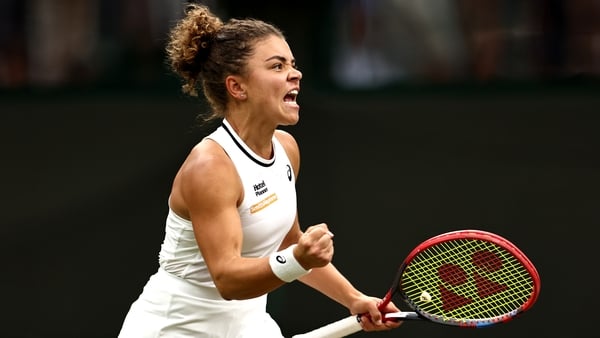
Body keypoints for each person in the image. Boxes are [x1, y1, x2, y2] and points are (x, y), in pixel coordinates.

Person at [118, 3, 402, 337]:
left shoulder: (286, 149)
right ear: (237, 87)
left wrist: (353, 299)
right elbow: (227, 278)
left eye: (293, 65)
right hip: (174, 329)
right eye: (277, 66)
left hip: (249, 326)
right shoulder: (210, 167)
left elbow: (285, 243)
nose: (295, 74)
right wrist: (299, 258)